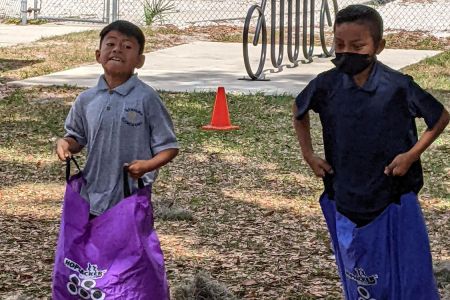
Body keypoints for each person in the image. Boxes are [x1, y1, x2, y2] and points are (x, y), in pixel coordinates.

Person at [292, 4, 449, 299]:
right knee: (361, 276)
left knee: (407, 276)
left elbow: (439, 117)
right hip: (345, 194)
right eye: (339, 45)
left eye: (357, 45)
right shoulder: (326, 84)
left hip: (393, 196)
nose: (346, 52)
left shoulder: (397, 86)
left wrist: (410, 155)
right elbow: (298, 111)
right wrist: (309, 155)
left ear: (378, 46)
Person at [55, 20, 179, 217]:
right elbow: (77, 138)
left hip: (131, 197)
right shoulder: (86, 99)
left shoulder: (147, 98)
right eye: (110, 44)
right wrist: (64, 144)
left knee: (127, 247)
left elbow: (169, 147)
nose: (117, 50)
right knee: (89, 247)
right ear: (98, 55)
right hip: (90, 195)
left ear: (140, 60)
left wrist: (146, 166)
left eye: (127, 46)